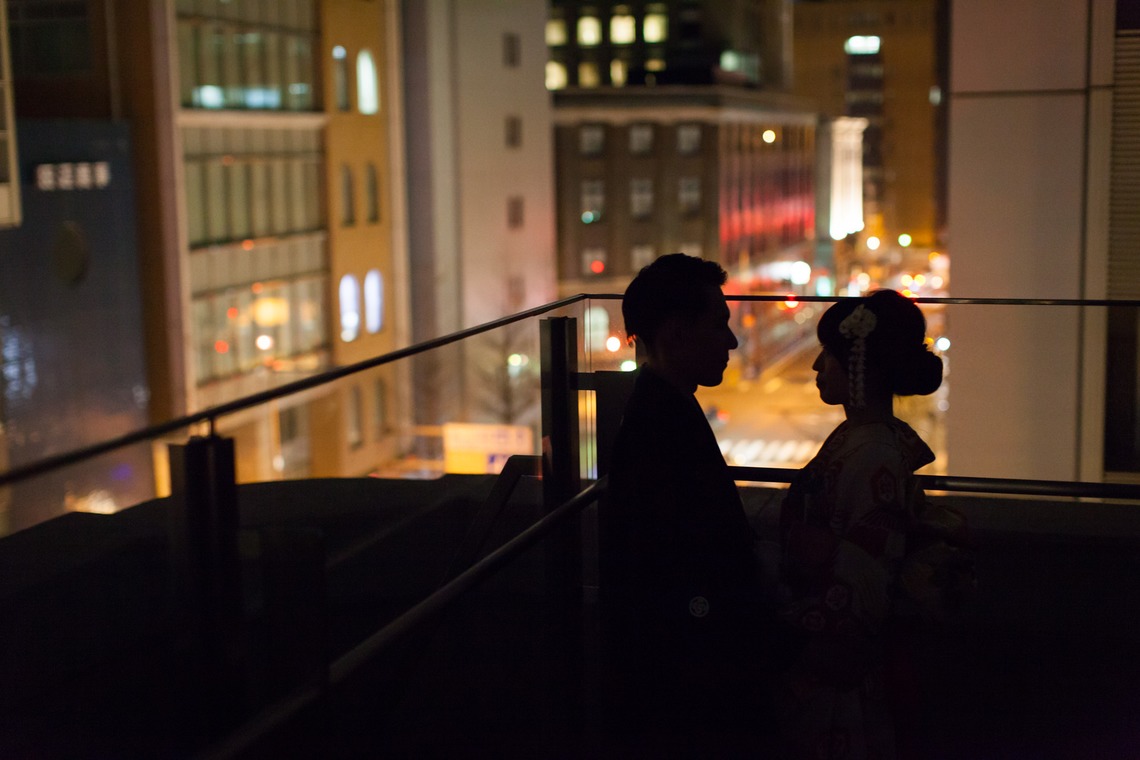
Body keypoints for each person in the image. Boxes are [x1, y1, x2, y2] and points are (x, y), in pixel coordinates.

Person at [600, 253, 767, 755]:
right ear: (675, 333)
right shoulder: (664, 425)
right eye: (719, 325)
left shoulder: (659, 409)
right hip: (692, 688)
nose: (732, 341)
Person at [774, 289, 945, 759]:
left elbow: (861, 587)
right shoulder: (871, 446)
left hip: (838, 665)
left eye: (826, 354)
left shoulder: (872, 456)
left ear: (857, 363)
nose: (815, 367)